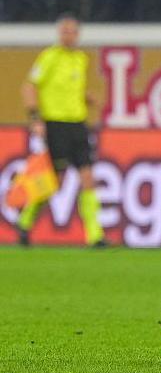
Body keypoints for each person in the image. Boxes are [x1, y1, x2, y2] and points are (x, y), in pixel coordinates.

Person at [17, 17, 106, 248]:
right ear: (59, 34)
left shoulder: (80, 59)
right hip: (55, 124)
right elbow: (28, 86)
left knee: (88, 177)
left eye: (72, 31)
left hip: (77, 124)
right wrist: (35, 119)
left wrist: (87, 98)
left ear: (77, 34)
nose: (68, 35)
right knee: (54, 181)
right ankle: (25, 221)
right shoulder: (49, 57)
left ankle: (95, 235)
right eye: (64, 31)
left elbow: (72, 89)